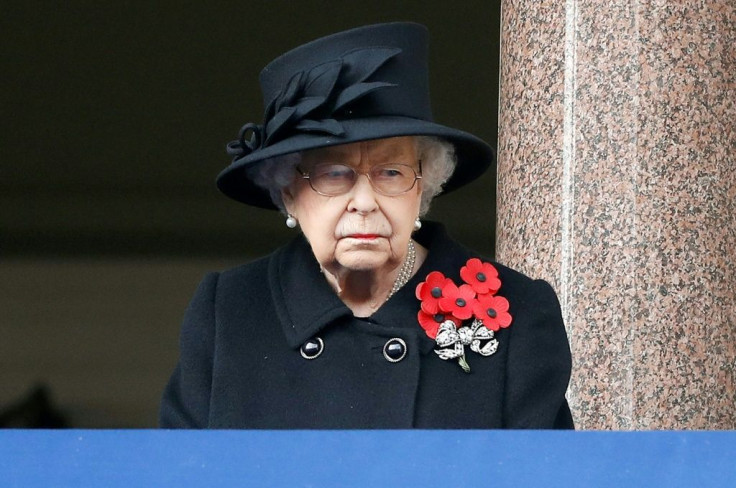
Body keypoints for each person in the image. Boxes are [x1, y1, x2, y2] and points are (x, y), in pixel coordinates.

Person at [160, 22, 573, 429]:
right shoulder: (230, 313)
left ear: (423, 187)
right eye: (333, 174)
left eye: (390, 172)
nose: (363, 202)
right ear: (288, 192)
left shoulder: (519, 312)